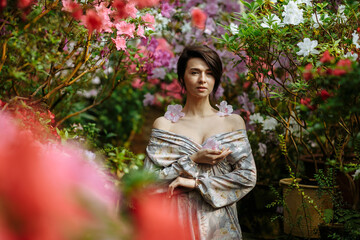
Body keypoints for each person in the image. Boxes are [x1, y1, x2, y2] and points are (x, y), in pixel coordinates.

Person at [144, 45, 257, 240]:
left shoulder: (232, 123)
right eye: (194, 72)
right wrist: (192, 160)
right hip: (175, 226)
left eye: (209, 73)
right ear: (182, 77)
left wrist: (197, 183)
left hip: (220, 227)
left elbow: (247, 177)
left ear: (216, 79)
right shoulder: (165, 126)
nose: (202, 80)